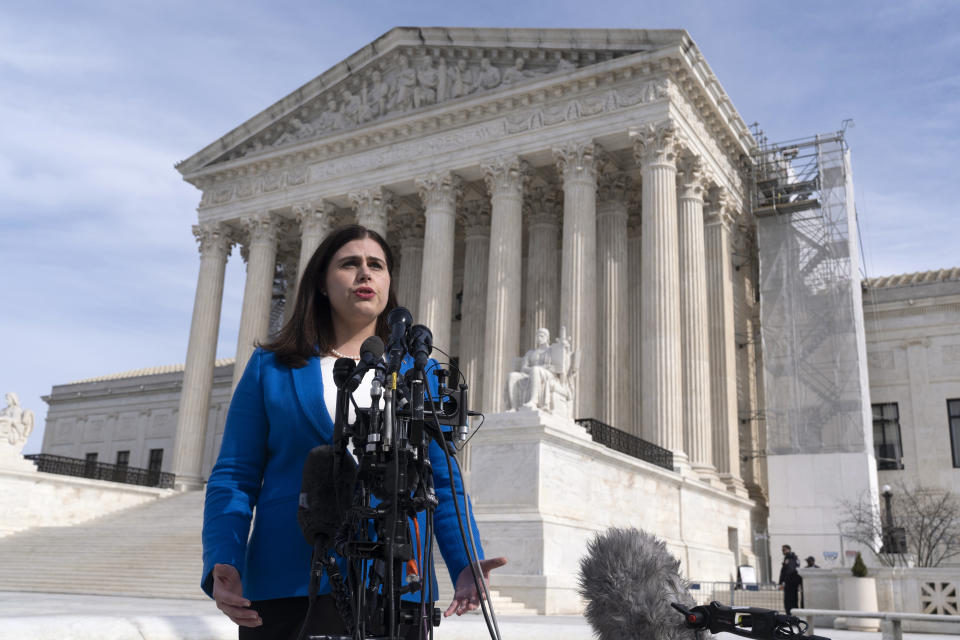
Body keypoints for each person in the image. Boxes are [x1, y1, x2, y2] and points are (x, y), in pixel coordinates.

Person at [202, 224, 507, 639]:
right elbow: (235, 474)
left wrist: (466, 563)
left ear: (388, 283)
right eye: (349, 264)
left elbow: (444, 482)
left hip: (398, 585)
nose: (365, 274)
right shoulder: (271, 367)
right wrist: (224, 556)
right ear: (323, 284)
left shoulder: (422, 374)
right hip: (289, 583)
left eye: (376, 265)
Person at [777, 544, 802, 614]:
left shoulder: (791, 559)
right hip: (791, 583)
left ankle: (791, 616)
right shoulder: (789, 558)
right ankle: (791, 614)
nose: (782, 552)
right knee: (791, 601)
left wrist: (784, 581)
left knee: (790, 601)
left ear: (788, 549)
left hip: (790, 584)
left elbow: (789, 572)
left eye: (784, 550)